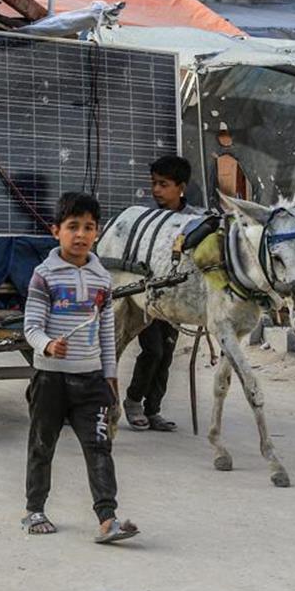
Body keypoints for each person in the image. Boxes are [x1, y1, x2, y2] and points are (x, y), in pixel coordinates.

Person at [22, 192, 139, 544]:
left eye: (89, 227)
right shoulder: (44, 275)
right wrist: (47, 345)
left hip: (90, 381)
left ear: (97, 233)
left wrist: (110, 376)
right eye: (72, 227)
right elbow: (31, 327)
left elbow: (106, 332)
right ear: (56, 231)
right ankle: (34, 510)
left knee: (99, 447)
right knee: (42, 445)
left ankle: (107, 519)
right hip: (50, 379)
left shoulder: (102, 278)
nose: (81, 235)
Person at [124, 154, 203, 432]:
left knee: (167, 353)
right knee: (153, 351)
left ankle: (153, 409)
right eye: (154, 183)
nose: (156, 190)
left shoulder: (195, 221)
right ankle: (133, 402)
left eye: (163, 184)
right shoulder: (148, 220)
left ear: (181, 187)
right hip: (148, 294)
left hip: (176, 298)